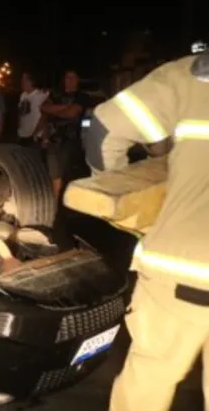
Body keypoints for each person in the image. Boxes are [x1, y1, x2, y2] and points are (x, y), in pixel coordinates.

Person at [86, 54, 209, 411]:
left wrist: (125, 211)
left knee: (148, 384)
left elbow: (104, 129)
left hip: (178, 266)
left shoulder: (187, 77)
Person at [40, 70, 93, 196]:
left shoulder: (82, 96)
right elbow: (43, 108)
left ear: (77, 80)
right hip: (53, 140)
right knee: (54, 175)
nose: (69, 80)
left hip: (72, 140)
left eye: (72, 77)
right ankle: (56, 203)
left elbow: (73, 113)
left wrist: (54, 111)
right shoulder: (54, 95)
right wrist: (65, 108)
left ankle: (65, 203)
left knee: (67, 175)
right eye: (67, 77)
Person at [16, 72, 49, 147]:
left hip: (34, 137)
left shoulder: (41, 95)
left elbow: (45, 115)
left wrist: (44, 137)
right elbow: (20, 114)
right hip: (22, 136)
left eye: (24, 80)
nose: (21, 82)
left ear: (31, 82)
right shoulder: (23, 95)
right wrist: (18, 130)